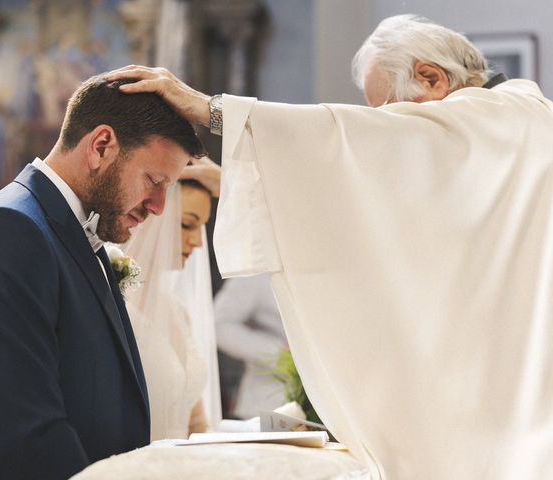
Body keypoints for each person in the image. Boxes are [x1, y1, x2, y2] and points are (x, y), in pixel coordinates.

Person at [104, 14, 553, 480]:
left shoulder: (498, 120)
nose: (382, 129)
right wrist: (242, 181)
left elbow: (361, 152)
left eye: (387, 114)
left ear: (432, 78)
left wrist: (212, 110)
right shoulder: (512, 131)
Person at [0, 75, 204, 479]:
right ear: (101, 146)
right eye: (155, 181)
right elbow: (26, 442)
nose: (160, 206)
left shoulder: (71, 233)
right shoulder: (6, 231)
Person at [110, 176, 220, 441]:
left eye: (201, 228)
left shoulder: (177, 312)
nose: (197, 242)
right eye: (187, 224)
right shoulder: (114, 304)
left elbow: (195, 423)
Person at [214, 273, 287, 419]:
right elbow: (218, 325)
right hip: (269, 402)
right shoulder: (257, 271)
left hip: (334, 407)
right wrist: (280, 354)